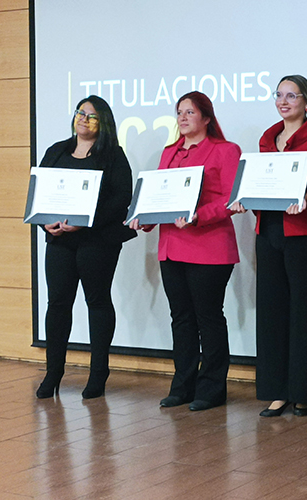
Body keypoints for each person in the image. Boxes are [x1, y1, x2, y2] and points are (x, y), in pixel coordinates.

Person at [230, 75, 307, 417]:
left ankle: (304, 392)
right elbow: (260, 183)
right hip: (270, 234)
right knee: (272, 314)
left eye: (291, 95)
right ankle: (277, 391)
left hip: (306, 236)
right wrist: (243, 199)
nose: (283, 101)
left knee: (305, 316)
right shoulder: (266, 139)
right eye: (279, 95)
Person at [130, 91, 241, 411]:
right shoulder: (169, 153)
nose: (182, 117)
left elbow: (233, 200)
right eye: (179, 112)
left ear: (207, 118)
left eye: (190, 112)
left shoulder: (225, 150)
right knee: (180, 318)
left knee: (209, 318)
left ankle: (212, 388)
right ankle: (182, 385)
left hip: (210, 247)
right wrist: (145, 219)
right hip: (172, 247)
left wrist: (198, 216)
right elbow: (159, 197)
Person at [36, 95, 136, 399]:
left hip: (98, 242)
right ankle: (53, 372)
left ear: (103, 122)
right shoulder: (56, 151)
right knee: (57, 305)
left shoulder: (114, 156)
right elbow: (40, 192)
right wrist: (45, 223)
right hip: (60, 240)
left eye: (91, 116)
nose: (83, 118)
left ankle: (98, 374)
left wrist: (86, 222)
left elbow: (121, 201)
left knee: (97, 302)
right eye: (81, 113)